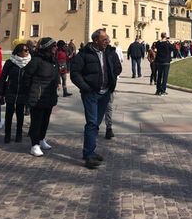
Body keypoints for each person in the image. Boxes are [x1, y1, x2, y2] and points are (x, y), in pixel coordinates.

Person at [70, 29, 122, 169]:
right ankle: (88, 155)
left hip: (105, 93)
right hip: (91, 93)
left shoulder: (110, 52)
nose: (108, 41)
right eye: (104, 40)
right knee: (92, 123)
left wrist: (111, 78)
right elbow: (75, 73)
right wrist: (86, 87)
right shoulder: (84, 54)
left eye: (108, 39)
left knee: (96, 123)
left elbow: (118, 67)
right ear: (96, 40)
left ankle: (90, 151)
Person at [22, 37, 60, 157]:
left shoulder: (53, 60)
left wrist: (57, 82)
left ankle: (42, 139)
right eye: (53, 46)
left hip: (49, 95)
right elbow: (26, 77)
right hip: (37, 96)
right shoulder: (36, 60)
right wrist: (31, 91)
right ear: (47, 48)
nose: (56, 48)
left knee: (45, 120)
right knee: (36, 122)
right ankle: (34, 145)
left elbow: (55, 74)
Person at [0, 41, 31, 143]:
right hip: (11, 91)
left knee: (20, 114)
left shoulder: (29, 62)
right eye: (25, 50)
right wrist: (0, 93)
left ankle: (19, 134)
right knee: (9, 114)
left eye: (28, 50)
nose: (27, 52)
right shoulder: (10, 62)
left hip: (23, 92)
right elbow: (3, 78)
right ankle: (7, 135)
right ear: (19, 52)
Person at [104, 39, 122, 139]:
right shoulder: (91, 53)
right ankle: (94, 128)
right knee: (96, 109)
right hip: (94, 87)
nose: (106, 43)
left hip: (108, 86)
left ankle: (109, 128)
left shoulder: (112, 53)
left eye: (107, 41)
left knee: (108, 107)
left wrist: (112, 76)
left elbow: (118, 68)